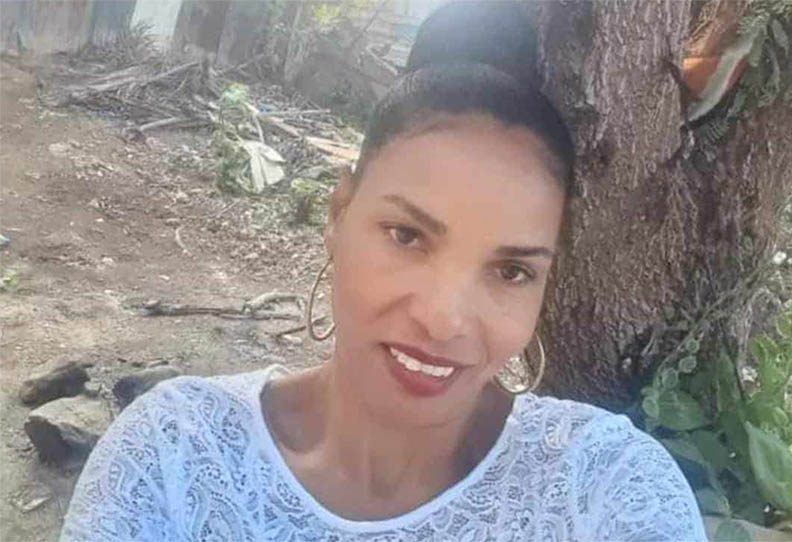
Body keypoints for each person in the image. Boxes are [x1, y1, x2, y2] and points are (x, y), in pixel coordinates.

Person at [60, 2, 707, 541]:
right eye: (408, 236)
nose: (443, 319)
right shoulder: (175, 455)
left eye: (510, 271)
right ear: (339, 212)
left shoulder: (603, 491)